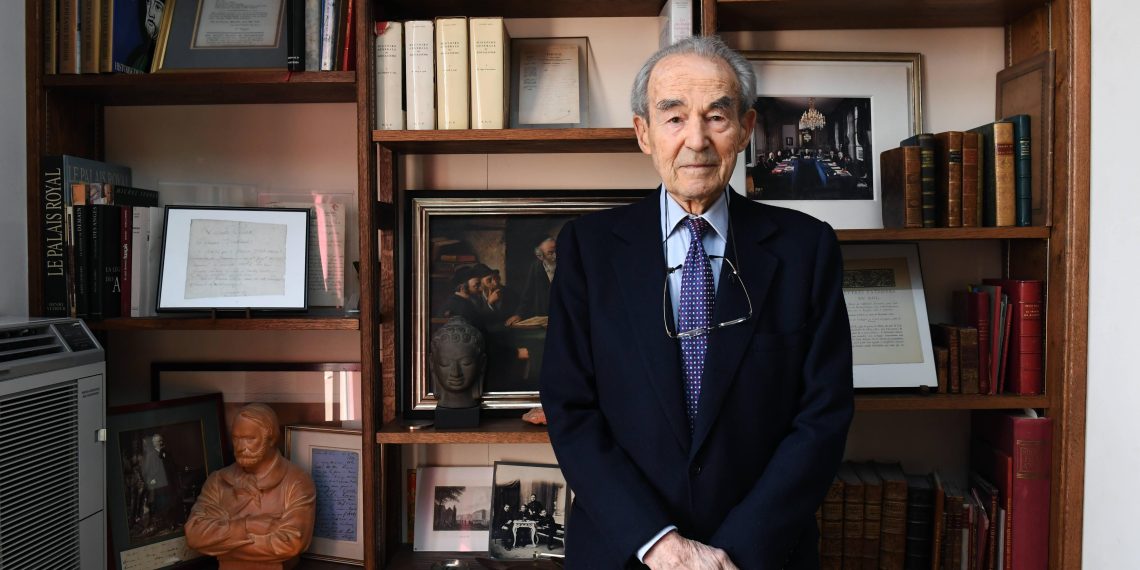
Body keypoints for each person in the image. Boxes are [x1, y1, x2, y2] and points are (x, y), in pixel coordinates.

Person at [540, 35, 854, 569]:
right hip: (627, 550)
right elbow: (570, 409)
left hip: (762, 555)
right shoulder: (588, 249)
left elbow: (823, 417)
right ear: (643, 133)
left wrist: (734, 554)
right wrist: (659, 544)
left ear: (746, 129)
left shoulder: (807, 248)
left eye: (717, 117)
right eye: (674, 117)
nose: (697, 140)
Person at [185, 404, 317, 569]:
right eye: (236, 438)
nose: (240, 448)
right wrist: (247, 525)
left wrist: (221, 542)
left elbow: (291, 544)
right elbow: (195, 535)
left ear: (271, 439)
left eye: (250, 439)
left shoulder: (297, 482)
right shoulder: (218, 481)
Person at [141, 432, 181, 533]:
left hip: (169, 483)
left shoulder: (167, 453)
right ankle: (162, 523)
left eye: (162, 440)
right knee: (162, 504)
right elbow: (145, 472)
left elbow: (173, 468)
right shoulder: (150, 456)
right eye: (159, 441)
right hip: (158, 484)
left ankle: (171, 523)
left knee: (170, 502)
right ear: (154, 443)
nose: (161, 442)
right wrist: (151, 480)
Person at [515, 237, 557, 319]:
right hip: (543, 315)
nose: (556, 255)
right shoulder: (536, 267)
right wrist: (519, 314)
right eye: (550, 253)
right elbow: (528, 293)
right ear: (540, 256)